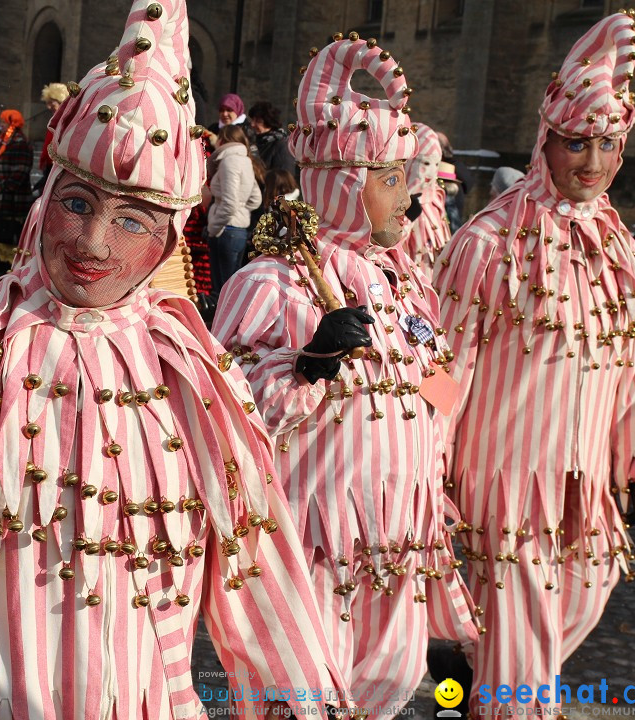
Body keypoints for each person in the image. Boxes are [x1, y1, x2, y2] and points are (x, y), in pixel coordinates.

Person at [0, 1, 350, 716]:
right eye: (79, 204)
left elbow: (256, 566)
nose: (96, 244)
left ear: (171, 238)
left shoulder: (194, 376)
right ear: (48, 197)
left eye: (133, 220)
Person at [213, 31, 481, 715]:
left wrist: (455, 435)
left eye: (408, 181)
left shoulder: (403, 284)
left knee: (385, 694)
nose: (411, 201)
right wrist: (308, 364)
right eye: (390, 181)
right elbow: (232, 415)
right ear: (339, 180)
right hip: (315, 551)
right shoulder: (273, 283)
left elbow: (436, 387)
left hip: (401, 550)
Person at [432, 12, 635, 715]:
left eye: (607, 145)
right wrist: (427, 465)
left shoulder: (624, 253)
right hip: (502, 484)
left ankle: (474, 670)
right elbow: (443, 364)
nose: (591, 162)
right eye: (576, 143)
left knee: (577, 605)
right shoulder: (488, 242)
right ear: (547, 140)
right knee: (522, 656)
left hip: (586, 487)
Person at [206, 124, 260, 300]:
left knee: (223, 293)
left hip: (225, 230)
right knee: (232, 290)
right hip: (238, 231)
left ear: (223, 139)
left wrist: (213, 228)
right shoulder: (245, 161)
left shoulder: (229, 161)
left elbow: (229, 202)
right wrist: (242, 210)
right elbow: (255, 199)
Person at [0, 108, 32, 271]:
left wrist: (6, 188)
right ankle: (1, 261)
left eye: (3, 122)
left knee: (10, 231)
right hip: (1, 195)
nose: (0, 125)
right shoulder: (4, 140)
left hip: (13, 198)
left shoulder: (20, 141)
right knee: (0, 230)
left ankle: (9, 264)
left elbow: (22, 169)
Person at [403, 123, 451, 268]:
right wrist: (406, 218)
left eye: (436, 164)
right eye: (425, 163)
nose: (431, 172)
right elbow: (383, 244)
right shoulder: (391, 198)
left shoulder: (436, 197)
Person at [247, 100, 297, 177]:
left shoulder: (281, 144)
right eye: (252, 120)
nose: (252, 124)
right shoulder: (254, 141)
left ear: (269, 122)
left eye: (258, 121)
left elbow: (284, 176)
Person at [37, 82, 70, 190]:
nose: (48, 106)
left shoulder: (65, 121)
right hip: (50, 164)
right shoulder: (56, 120)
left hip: (57, 164)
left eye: (52, 103)